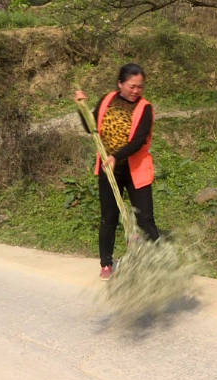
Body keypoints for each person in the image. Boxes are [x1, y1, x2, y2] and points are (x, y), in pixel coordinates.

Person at [75, 63, 159, 280]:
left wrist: (115, 156)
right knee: (109, 218)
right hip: (108, 171)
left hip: (135, 171)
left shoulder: (145, 108)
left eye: (140, 87)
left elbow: (139, 141)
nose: (136, 91)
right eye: (132, 86)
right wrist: (81, 108)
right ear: (120, 84)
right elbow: (90, 128)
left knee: (146, 220)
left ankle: (157, 264)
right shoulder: (106, 100)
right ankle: (106, 263)